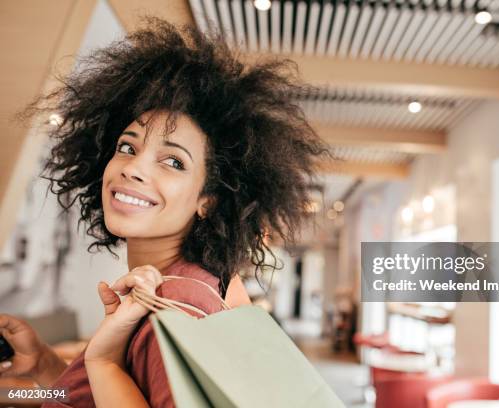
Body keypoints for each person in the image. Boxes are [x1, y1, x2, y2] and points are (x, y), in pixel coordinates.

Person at [0, 16, 330, 407]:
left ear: (209, 198)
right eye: (127, 146)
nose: (133, 168)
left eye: (173, 162)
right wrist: (43, 365)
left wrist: (103, 360)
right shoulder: (174, 289)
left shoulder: (175, 309)